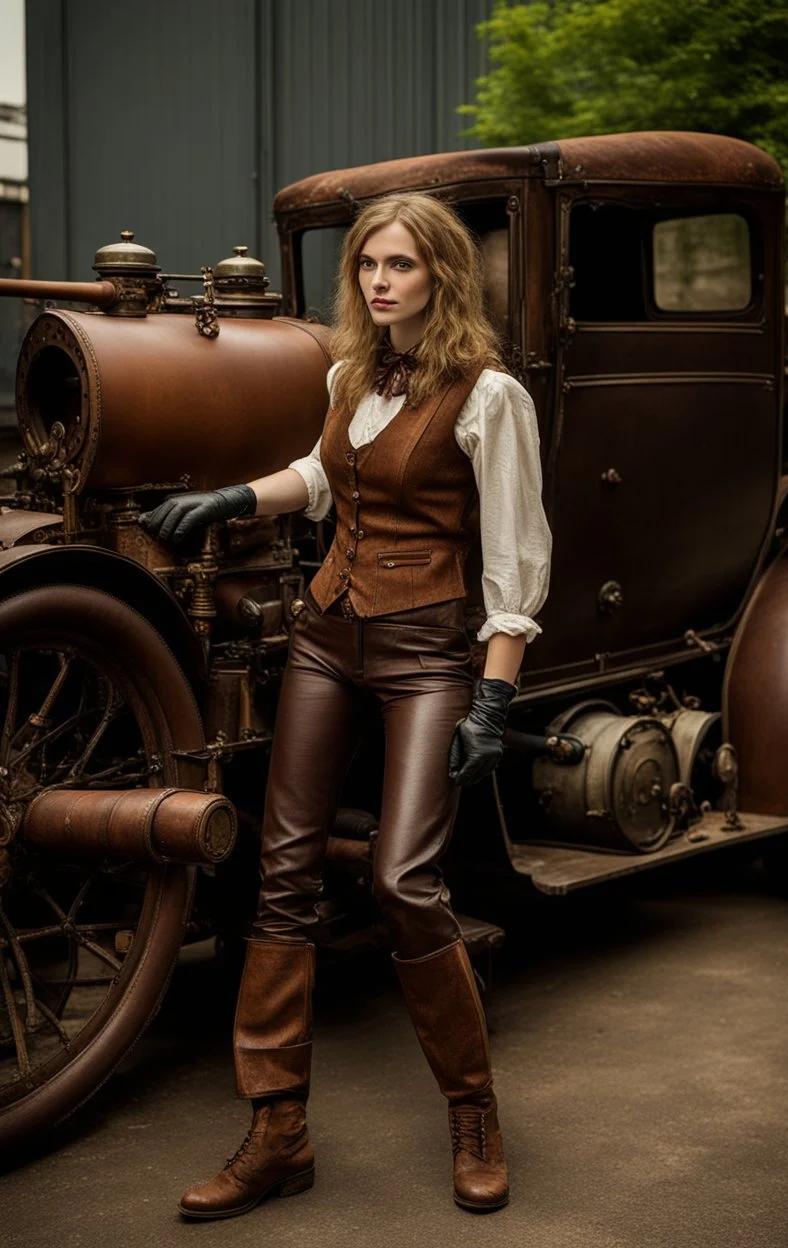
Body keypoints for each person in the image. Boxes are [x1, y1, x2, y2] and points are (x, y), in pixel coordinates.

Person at [140, 191, 551, 1219]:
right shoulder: (348, 373)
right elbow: (324, 479)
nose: (379, 280)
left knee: (404, 878)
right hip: (328, 636)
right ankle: (277, 1131)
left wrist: (490, 700)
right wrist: (235, 498)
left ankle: (473, 1111)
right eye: (369, 263)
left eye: (401, 264)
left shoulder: (490, 396)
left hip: (427, 650)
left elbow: (514, 560)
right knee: (278, 876)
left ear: (439, 276)